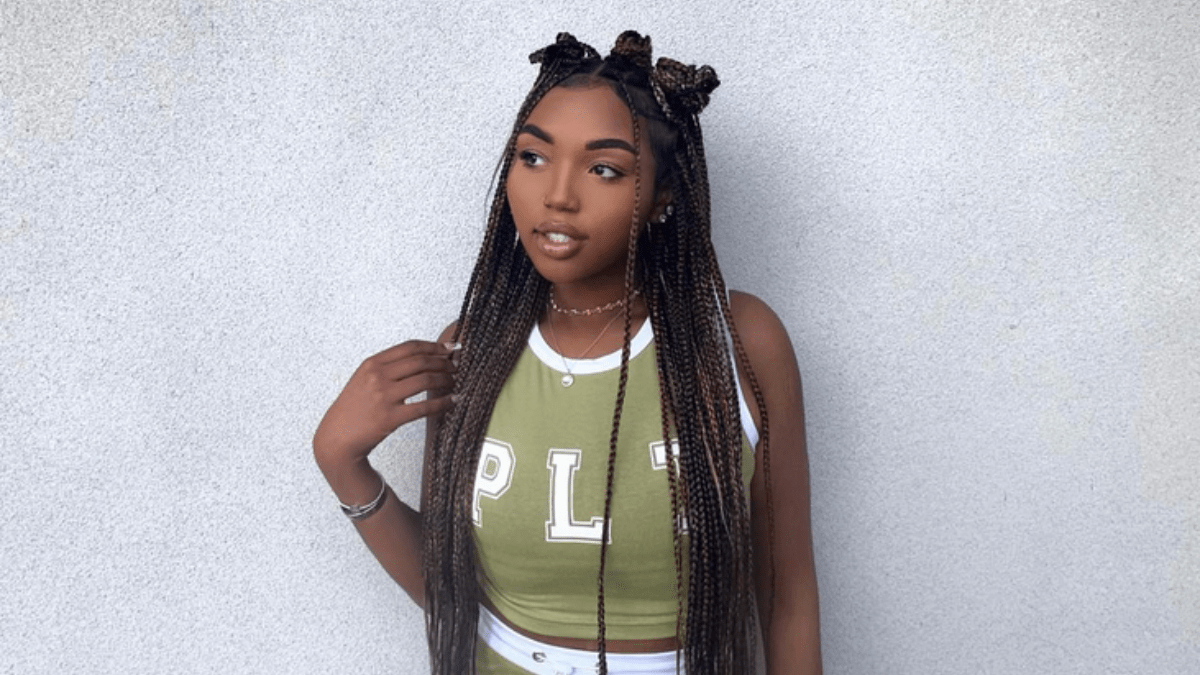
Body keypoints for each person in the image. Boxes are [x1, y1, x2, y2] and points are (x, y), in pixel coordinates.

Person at [313, 31, 821, 675]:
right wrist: (342, 462)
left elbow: (788, 598)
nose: (557, 194)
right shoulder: (474, 347)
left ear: (664, 197)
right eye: (531, 157)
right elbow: (449, 590)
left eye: (603, 168)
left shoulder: (738, 342)